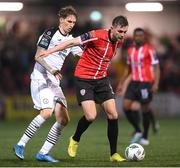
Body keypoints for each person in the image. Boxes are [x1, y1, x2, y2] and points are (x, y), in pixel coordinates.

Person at [37, 15, 129, 162]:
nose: (122, 35)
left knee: (113, 115)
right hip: (84, 79)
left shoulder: (119, 41)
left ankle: (113, 154)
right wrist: (49, 51)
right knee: (91, 116)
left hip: (101, 80)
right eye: (120, 31)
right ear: (112, 27)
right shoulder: (96, 35)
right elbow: (72, 42)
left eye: (124, 32)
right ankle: (75, 138)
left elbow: (105, 57)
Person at [13, 6, 82, 162]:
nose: (71, 24)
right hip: (41, 78)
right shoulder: (49, 34)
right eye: (69, 21)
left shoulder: (70, 40)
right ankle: (20, 144)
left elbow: (83, 55)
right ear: (61, 19)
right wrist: (52, 69)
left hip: (54, 82)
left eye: (74, 22)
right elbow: (37, 56)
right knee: (46, 112)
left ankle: (43, 153)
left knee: (64, 120)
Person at [116, 28, 160, 145]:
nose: (139, 37)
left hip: (146, 83)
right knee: (125, 107)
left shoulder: (150, 50)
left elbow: (156, 67)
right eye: (137, 35)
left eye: (141, 36)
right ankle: (138, 130)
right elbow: (128, 69)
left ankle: (145, 136)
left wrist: (155, 83)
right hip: (134, 83)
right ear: (134, 37)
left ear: (144, 37)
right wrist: (121, 83)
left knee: (145, 110)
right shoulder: (130, 50)